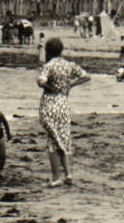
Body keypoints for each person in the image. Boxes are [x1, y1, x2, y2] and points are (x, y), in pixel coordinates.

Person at [37, 36, 91, 188]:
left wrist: (47, 85)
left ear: (48, 51)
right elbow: (86, 76)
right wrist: (70, 85)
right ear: (61, 50)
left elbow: (41, 81)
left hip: (50, 103)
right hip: (63, 103)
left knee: (53, 141)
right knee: (64, 137)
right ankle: (68, 174)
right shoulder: (69, 65)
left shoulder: (48, 66)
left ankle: (56, 178)